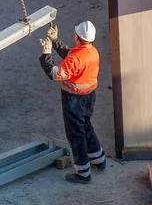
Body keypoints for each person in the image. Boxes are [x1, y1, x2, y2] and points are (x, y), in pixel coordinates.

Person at [38, 20, 106, 184]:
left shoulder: (76, 58)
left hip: (74, 100)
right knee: (86, 126)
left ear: (77, 37)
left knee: (76, 134)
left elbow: (55, 73)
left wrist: (46, 53)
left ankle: (83, 173)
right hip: (89, 97)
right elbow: (71, 55)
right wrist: (55, 41)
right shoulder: (92, 52)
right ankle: (99, 159)